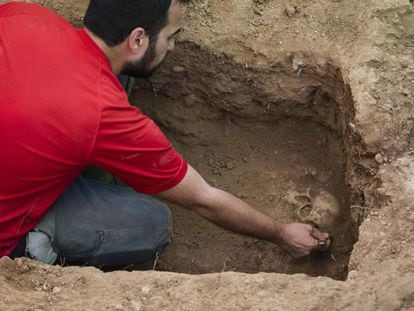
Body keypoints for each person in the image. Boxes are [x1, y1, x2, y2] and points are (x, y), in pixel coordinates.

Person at [0, 0, 330, 267]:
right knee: (153, 222)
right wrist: (281, 233)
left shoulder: (23, 14)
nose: (172, 48)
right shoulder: (103, 114)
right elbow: (204, 200)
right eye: (171, 36)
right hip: (8, 224)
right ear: (138, 39)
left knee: (121, 77)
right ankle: (30, 251)